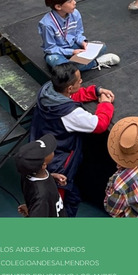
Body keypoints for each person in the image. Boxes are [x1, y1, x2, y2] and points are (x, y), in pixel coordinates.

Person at [30, 62, 115, 217]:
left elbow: (70, 96)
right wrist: (105, 104)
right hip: (58, 164)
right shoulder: (70, 114)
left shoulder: (47, 90)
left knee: (73, 196)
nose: (81, 81)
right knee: (59, 204)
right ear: (69, 87)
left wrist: (95, 91)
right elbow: (99, 125)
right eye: (79, 81)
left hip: (41, 146)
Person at [38, 0, 120, 71]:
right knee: (53, 59)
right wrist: (72, 52)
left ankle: (71, 67)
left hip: (73, 45)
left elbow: (78, 33)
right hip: (57, 52)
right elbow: (50, 48)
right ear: (58, 6)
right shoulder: (47, 24)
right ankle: (95, 62)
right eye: (70, 1)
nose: (74, 2)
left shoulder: (75, 13)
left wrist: (82, 42)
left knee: (102, 46)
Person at [14, 133, 67, 217]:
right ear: (43, 165)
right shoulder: (41, 198)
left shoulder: (29, 173)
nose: (52, 150)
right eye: (48, 152)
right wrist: (33, 211)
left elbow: (35, 186)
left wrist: (51, 176)